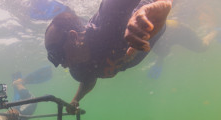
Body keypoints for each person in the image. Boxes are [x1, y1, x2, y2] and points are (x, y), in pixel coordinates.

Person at [44, 0, 173, 113]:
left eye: (58, 54)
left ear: (73, 37)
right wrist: (75, 100)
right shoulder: (77, 69)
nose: (61, 64)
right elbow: (88, 79)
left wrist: (165, 4)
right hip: (148, 46)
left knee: (170, 40)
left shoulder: (109, 17)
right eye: (53, 59)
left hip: (155, 21)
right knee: (164, 52)